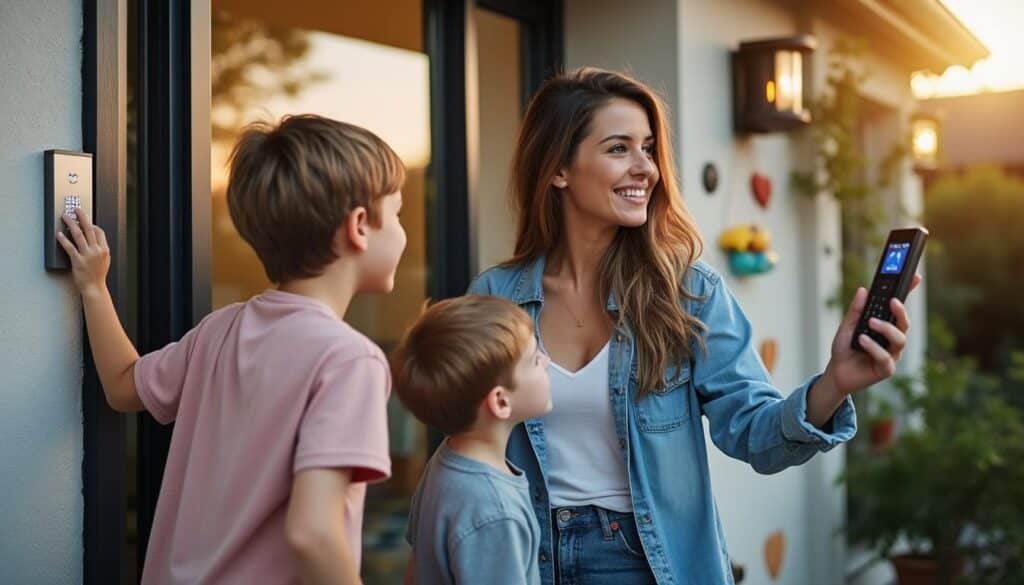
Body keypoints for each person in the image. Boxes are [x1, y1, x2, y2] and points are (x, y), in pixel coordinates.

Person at [467, 67, 921, 584]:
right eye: (619, 149)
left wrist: (835, 383)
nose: (646, 168)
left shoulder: (688, 293)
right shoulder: (495, 297)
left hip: (645, 563)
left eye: (648, 148)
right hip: (523, 558)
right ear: (558, 170)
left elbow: (756, 435)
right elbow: (464, 445)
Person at [56, 114, 408, 584]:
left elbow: (122, 385)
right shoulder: (350, 361)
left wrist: (94, 287)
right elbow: (314, 533)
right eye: (398, 214)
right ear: (359, 226)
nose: (403, 230)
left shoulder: (219, 331)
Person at [390, 295, 552, 584]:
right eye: (534, 360)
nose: (547, 362)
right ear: (500, 401)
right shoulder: (495, 511)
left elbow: (415, 571)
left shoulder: (446, 459)